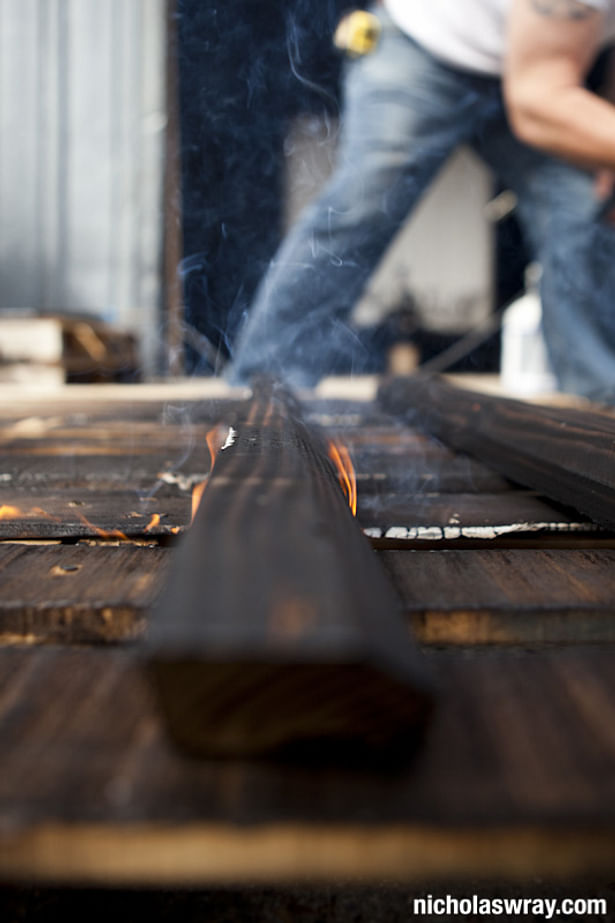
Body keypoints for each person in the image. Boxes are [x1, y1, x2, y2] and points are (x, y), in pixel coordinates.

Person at [227, 0, 615, 403]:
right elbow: (536, 103)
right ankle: (266, 385)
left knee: (583, 207)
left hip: (542, 71)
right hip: (425, 51)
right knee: (363, 207)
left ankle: (599, 394)